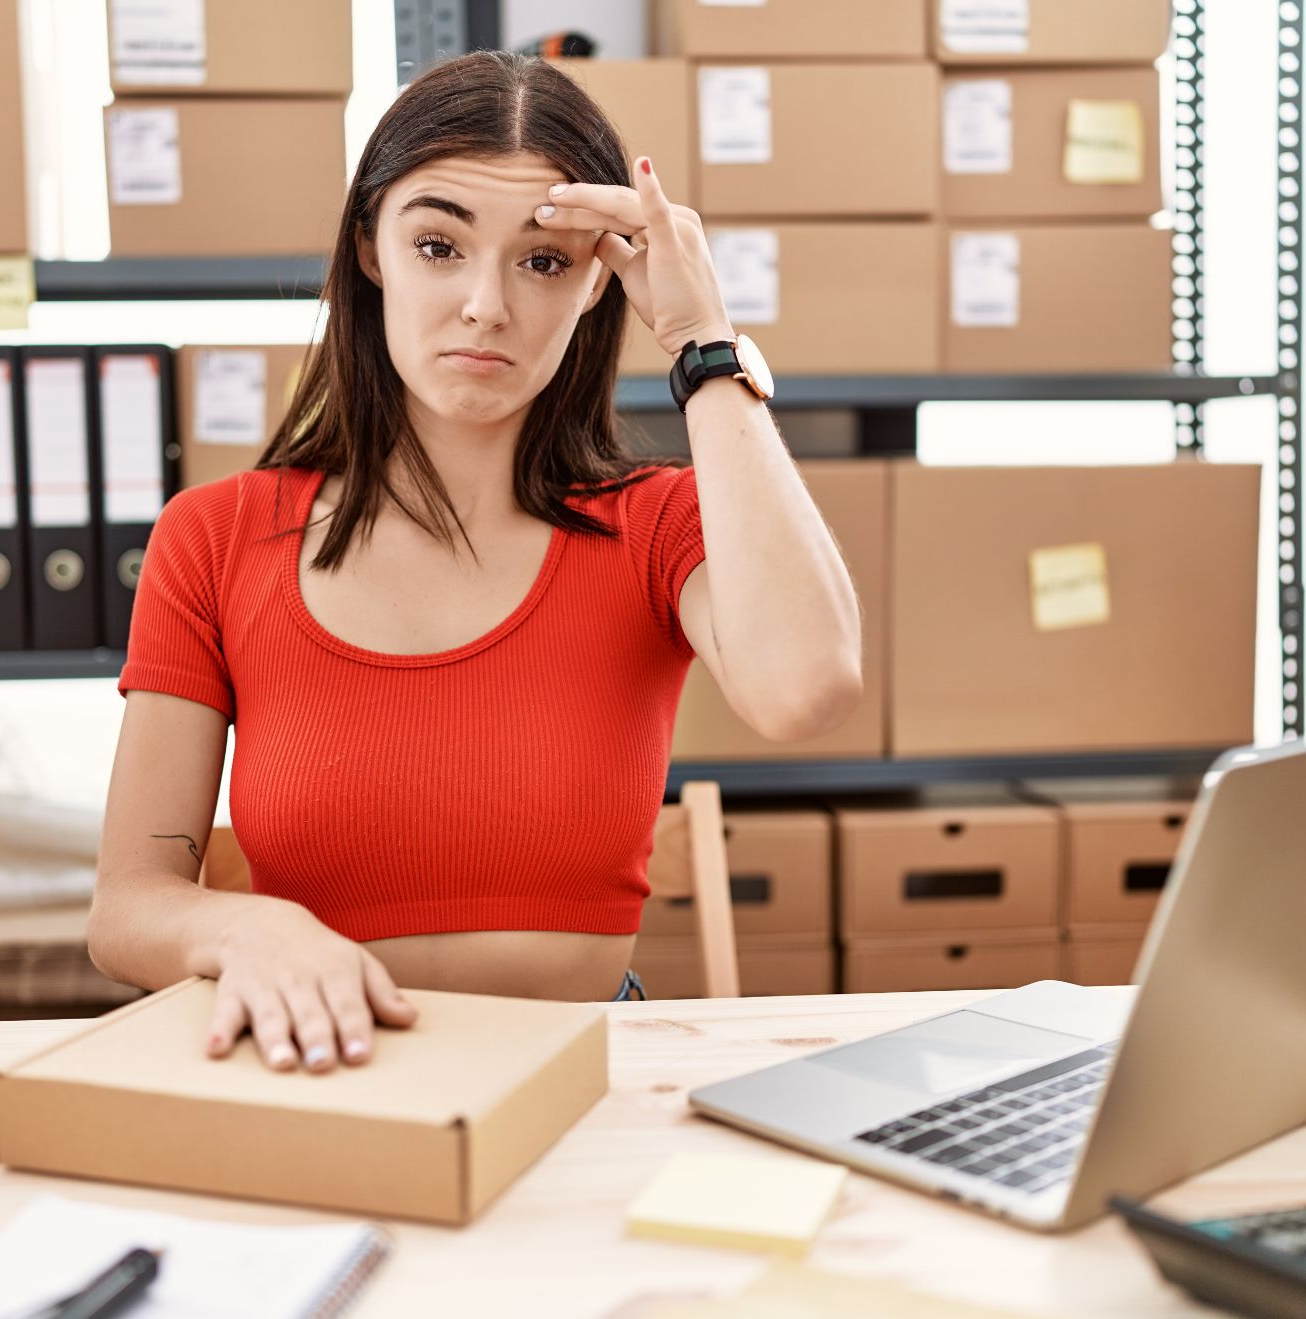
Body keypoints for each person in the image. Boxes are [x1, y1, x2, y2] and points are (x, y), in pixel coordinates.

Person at [88, 51, 863, 1074]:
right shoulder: (216, 537)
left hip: (588, 1079)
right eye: (438, 244)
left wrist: (701, 341)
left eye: (542, 260)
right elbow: (127, 906)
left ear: (598, 281)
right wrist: (241, 929)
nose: (485, 305)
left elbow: (805, 689)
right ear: (372, 248)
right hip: (326, 1077)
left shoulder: (656, 525)